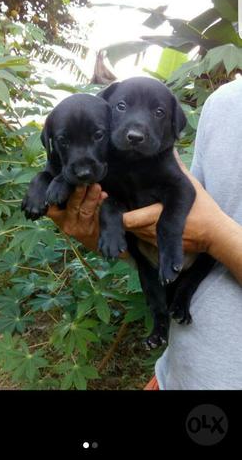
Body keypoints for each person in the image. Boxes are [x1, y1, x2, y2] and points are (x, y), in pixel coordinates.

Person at [47, 77, 242, 390]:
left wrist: (213, 236)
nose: (136, 127)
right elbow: (189, 216)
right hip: (176, 375)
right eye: (121, 107)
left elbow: (192, 214)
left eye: (158, 113)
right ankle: (162, 320)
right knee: (152, 286)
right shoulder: (223, 102)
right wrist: (102, 235)